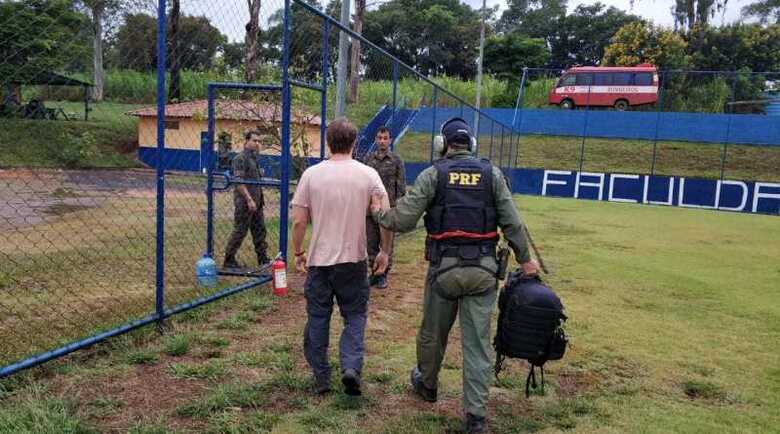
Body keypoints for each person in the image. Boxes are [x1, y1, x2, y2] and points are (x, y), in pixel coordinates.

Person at [370, 117, 539, 434]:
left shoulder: (433, 174)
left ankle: (428, 385)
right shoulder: (493, 175)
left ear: (442, 145)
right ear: (472, 145)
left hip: (444, 271)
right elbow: (513, 223)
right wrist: (526, 261)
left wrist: (378, 212)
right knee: (477, 345)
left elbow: (403, 219)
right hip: (484, 273)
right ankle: (475, 417)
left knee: (433, 334)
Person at [291, 117, 393, 396]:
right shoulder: (369, 174)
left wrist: (299, 252)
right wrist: (384, 251)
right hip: (354, 260)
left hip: (319, 261)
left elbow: (299, 221)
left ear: (328, 142)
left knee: (318, 316)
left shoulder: (311, 175)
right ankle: (350, 366)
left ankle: (322, 376)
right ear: (355, 143)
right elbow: (384, 217)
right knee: (355, 316)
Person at [363, 127, 406, 289]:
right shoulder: (368, 159)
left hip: (388, 208)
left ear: (390, 140)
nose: (382, 141)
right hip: (371, 208)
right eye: (379, 137)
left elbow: (401, 185)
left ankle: (384, 273)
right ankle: (374, 272)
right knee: (371, 241)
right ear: (375, 139)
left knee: (387, 242)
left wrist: (399, 206)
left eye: (385, 138)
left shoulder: (396, 160)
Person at [223, 130, 270, 269]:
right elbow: (238, 181)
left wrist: (257, 200)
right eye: (254, 140)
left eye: (259, 141)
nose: (257, 144)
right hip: (245, 203)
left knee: (260, 231)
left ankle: (262, 259)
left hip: (257, 203)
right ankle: (229, 259)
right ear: (246, 141)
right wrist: (249, 200)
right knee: (240, 230)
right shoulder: (240, 158)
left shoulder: (254, 159)